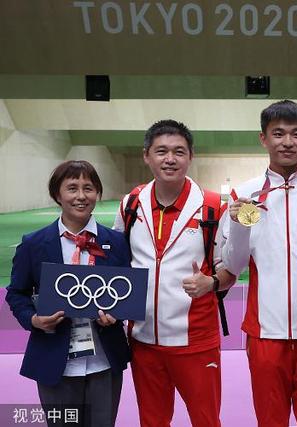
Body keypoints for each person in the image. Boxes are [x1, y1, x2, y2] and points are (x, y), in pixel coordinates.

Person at [222, 100, 297, 426]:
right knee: (270, 421)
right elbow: (233, 265)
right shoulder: (244, 195)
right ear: (263, 139)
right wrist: (238, 226)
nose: (287, 142)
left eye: (296, 134)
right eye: (278, 133)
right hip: (265, 333)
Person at [113, 120, 234, 427]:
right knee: (152, 421)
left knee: (206, 421)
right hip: (143, 341)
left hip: (196, 341)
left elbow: (230, 272)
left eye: (179, 151)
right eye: (161, 151)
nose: (170, 159)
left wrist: (211, 282)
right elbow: (117, 265)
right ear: (146, 156)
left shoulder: (211, 207)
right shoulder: (130, 204)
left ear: (190, 156)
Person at [5, 160, 130, 427]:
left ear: (98, 193)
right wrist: (34, 320)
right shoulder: (34, 244)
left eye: (89, 188)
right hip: (55, 361)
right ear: (57, 195)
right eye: (72, 188)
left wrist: (116, 316)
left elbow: (126, 293)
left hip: (104, 361)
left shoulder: (117, 242)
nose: (81, 196)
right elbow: (16, 293)